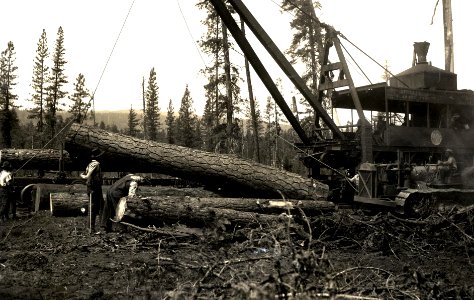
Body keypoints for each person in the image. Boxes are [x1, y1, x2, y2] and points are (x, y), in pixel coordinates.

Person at [80, 148, 104, 233]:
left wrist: (83, 175)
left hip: (95, 187)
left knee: (99, 205)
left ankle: (99, 226)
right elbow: (87, 176)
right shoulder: (95, 164)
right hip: (93, 188)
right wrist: (83, 176)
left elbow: (85, 175)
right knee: (93, 207)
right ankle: (91, 228)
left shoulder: (91, 164)